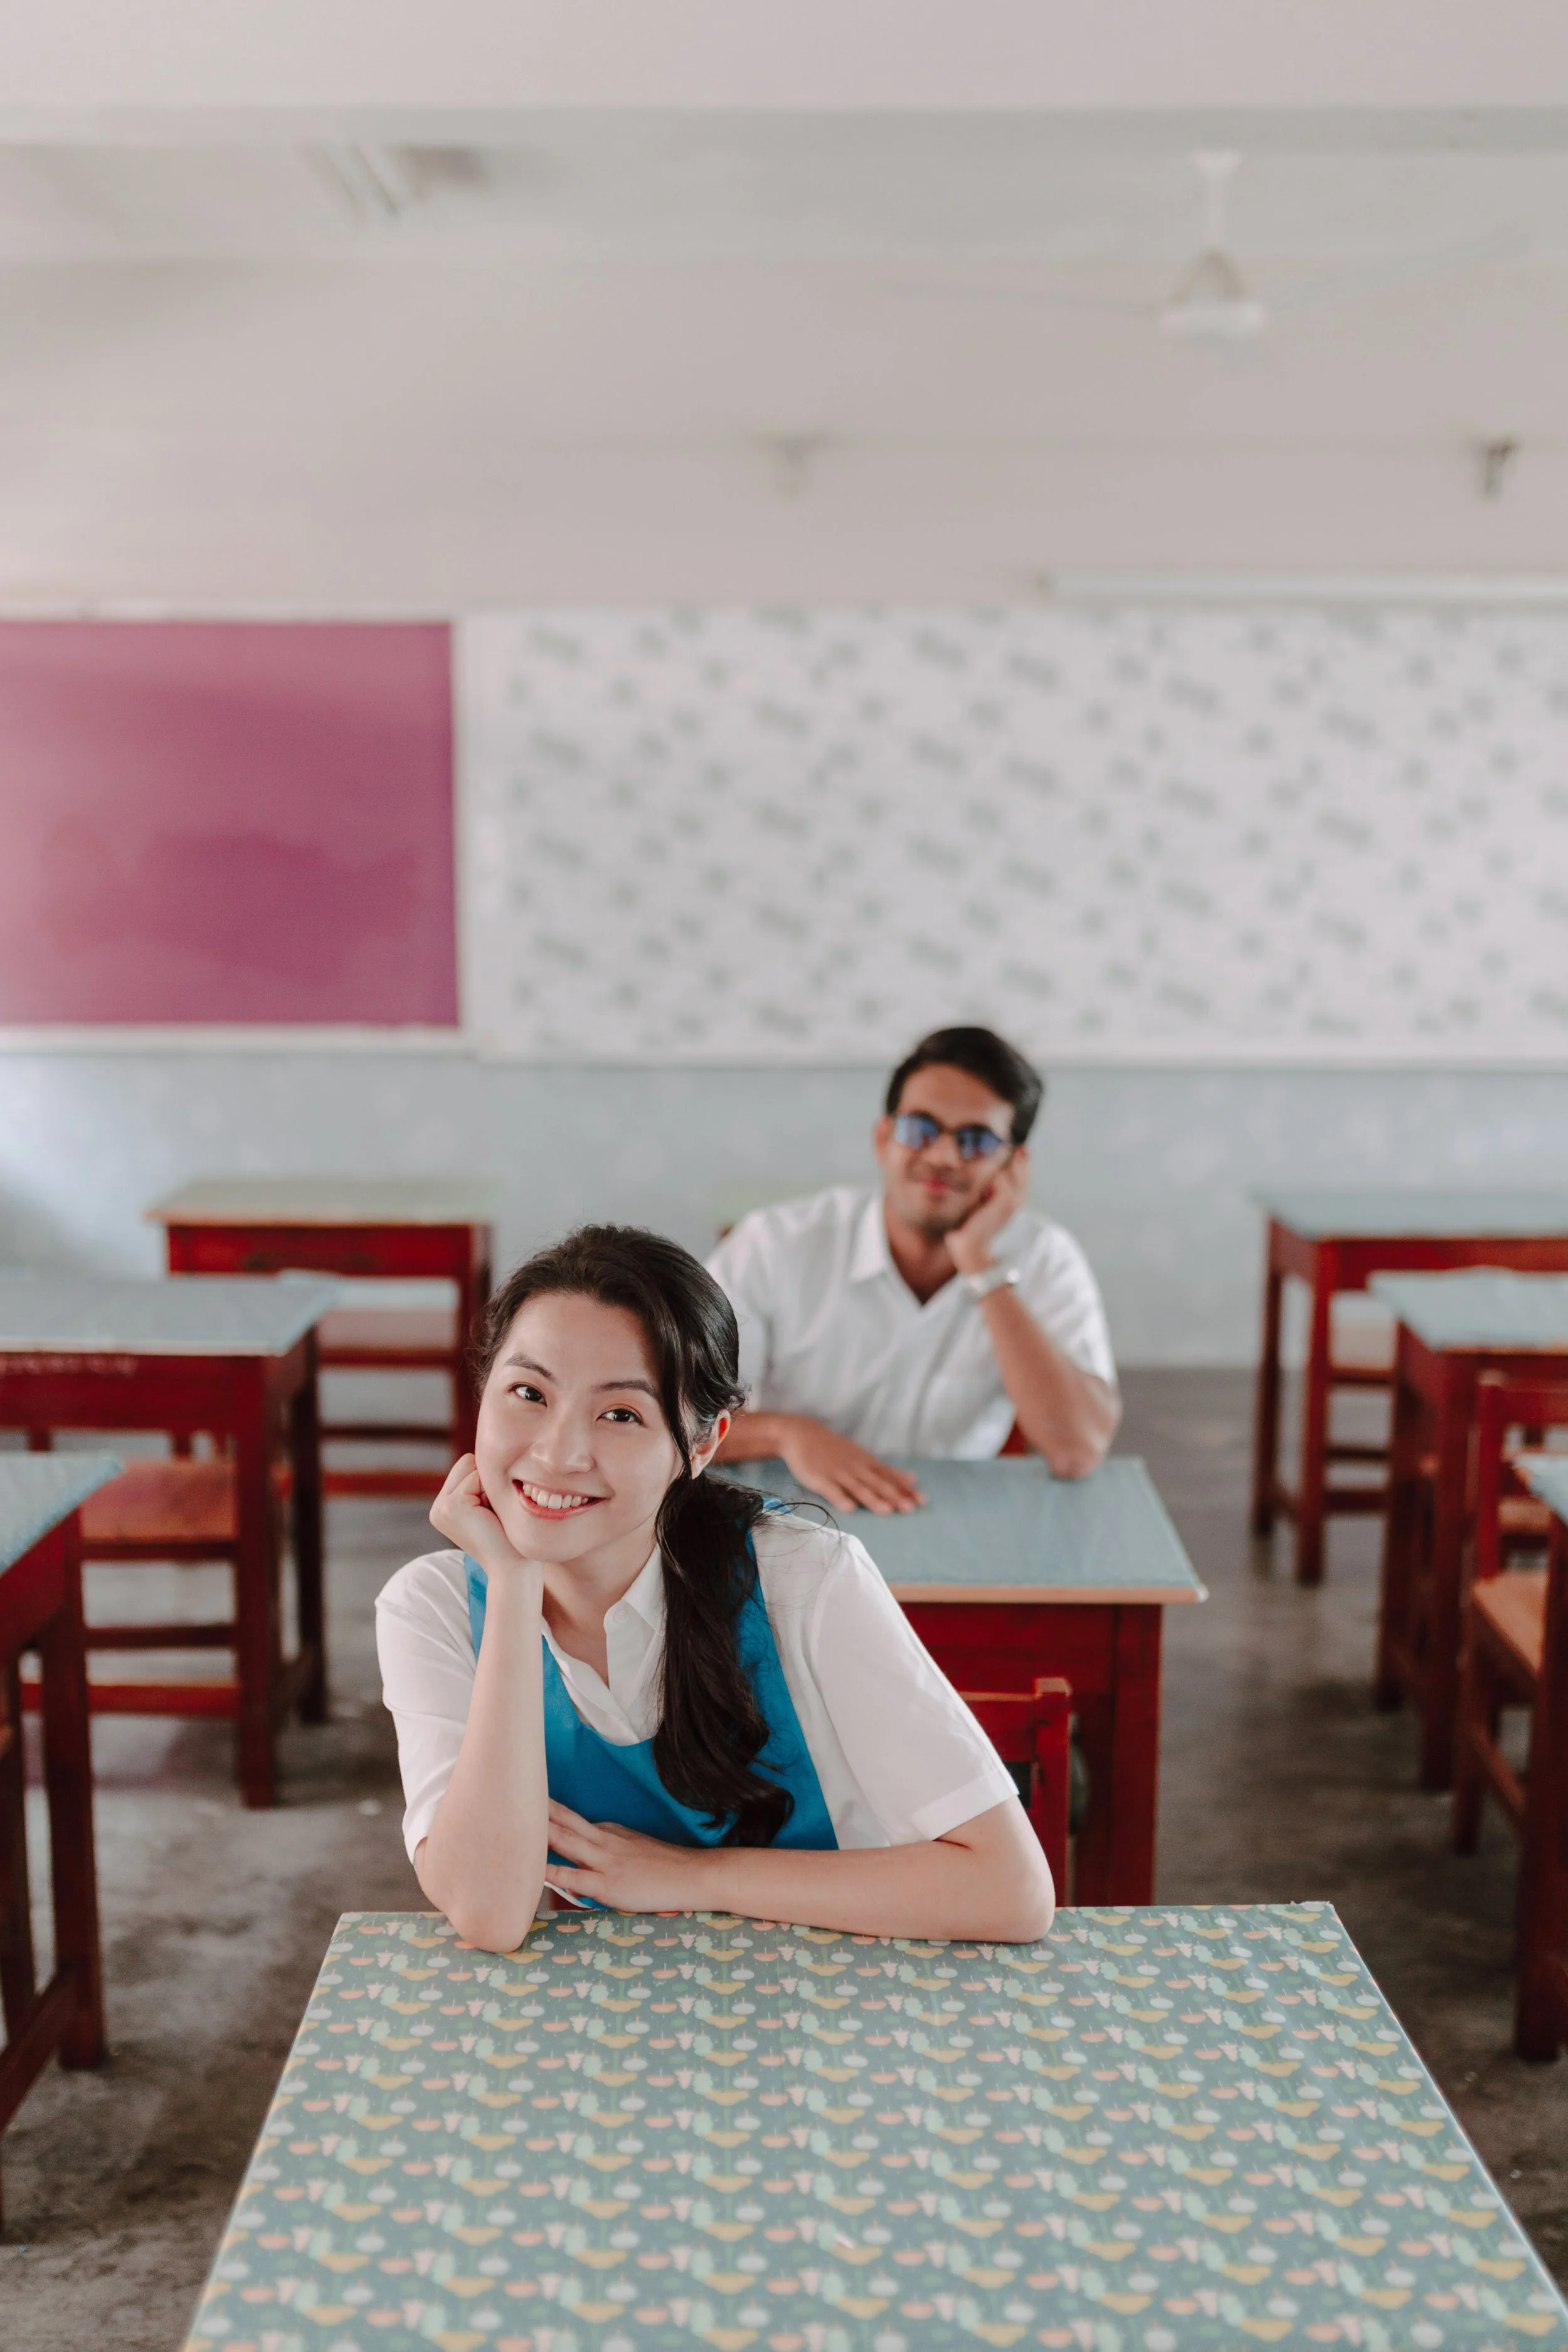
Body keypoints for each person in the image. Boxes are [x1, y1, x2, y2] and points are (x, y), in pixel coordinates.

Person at [376, 1224, 1054, 1954]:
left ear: (702, 1444)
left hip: (831, 2006)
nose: (557, 1452)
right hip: (587, 2029)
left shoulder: (800, 1579)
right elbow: (489, 1914)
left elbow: (1010, 1891)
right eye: (527, 1393)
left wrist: (693, 1878)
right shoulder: (436, 1608)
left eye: (620, 1415)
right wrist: (512, 1588)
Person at [708, 1025, 1119, 1513]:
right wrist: (788, 1434)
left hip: (949, 1528)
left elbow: (1078, 1451)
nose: (943, 1157)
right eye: (921, 1129)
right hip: (783, 1521)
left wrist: (981, 1266)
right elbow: (672, 1419)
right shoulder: (774, 1243)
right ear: (884, 1138)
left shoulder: (1046, 1259)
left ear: (1014, 1165)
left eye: (976, 1141)